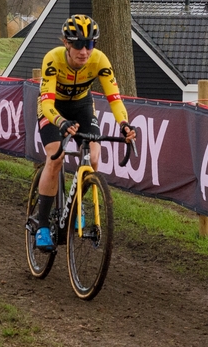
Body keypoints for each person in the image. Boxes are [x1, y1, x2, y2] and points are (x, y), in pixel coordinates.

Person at [29, 15, 138, 248]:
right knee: (55, 156)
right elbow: (47, 104)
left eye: (89, 44)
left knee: (94, 159)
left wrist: (124, 124)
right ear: (66, 43)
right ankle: (42, 224)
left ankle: (77, 207)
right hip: (53, 108)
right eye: (78, 44)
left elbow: (115, 99)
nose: (84, 51)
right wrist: (60, 121)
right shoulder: (53, 59)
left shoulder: (99, 60)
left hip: (82, 106)